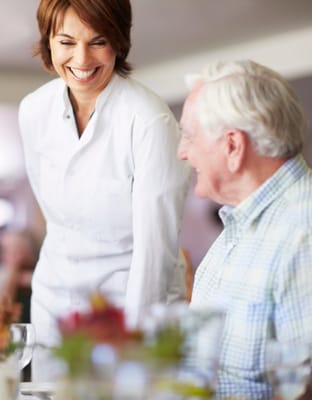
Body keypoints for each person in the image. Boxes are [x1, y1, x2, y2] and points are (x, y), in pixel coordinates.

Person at [18, 0, 190, 381]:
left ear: (118, 42)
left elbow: (155, 250)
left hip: (130, 304)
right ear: (48, 42)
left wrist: (131, 343)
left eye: (98, 42)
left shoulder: (149, 120)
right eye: (66, 41)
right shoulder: (33, 110)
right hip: (54, 301)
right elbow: (53, 214)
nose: (81, 58)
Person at [178, 59, 312, 397]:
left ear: (233, 147)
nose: (182, 152)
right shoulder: (237, 227)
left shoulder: (303, 233)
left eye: (190, 137)